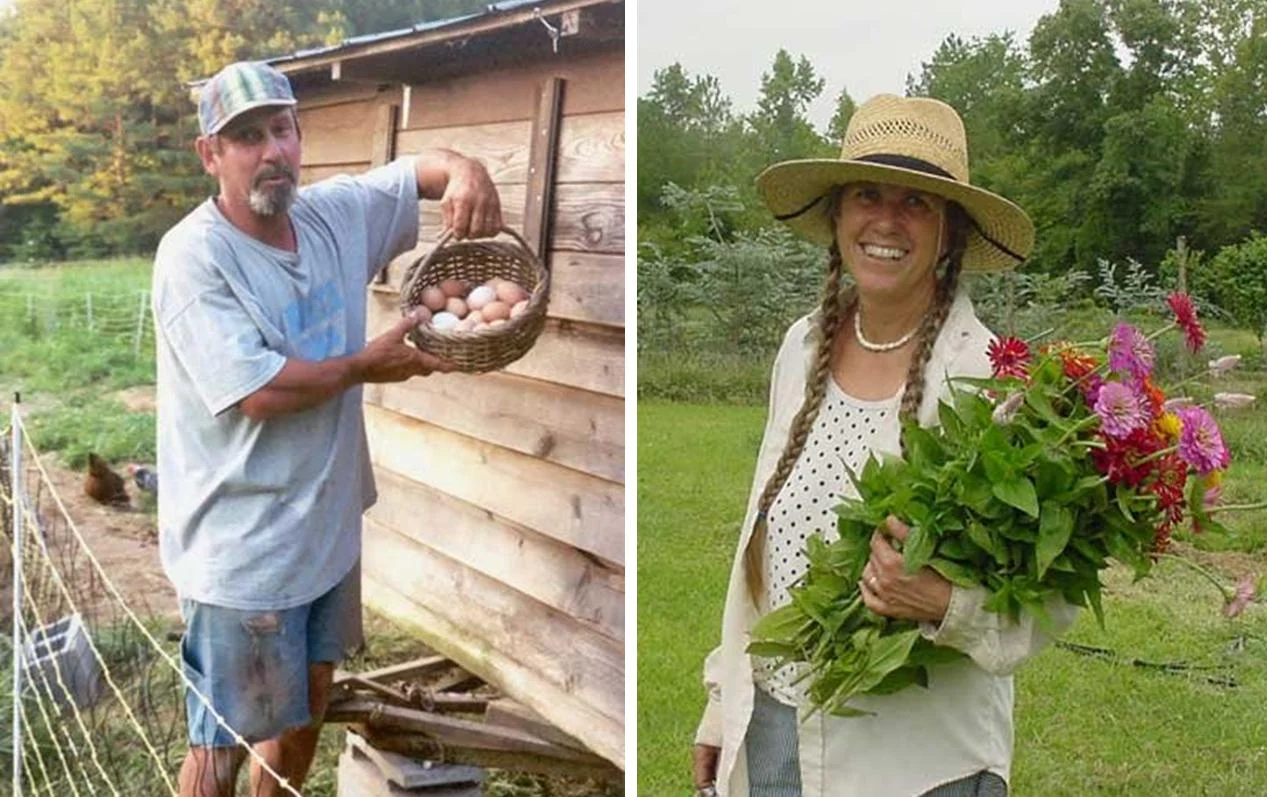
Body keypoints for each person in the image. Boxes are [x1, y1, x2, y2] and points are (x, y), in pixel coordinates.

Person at [690, 94, 1078, 797]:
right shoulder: (801, 345)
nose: (886, 221)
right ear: (837, 214)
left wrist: (943, 603)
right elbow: (763, 544)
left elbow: (1054, 598)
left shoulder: (990, 380)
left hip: (914, 765)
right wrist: (723, 703)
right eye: (866, 195)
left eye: (916, 203)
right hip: (776, 732)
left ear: (949, 232)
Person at [151, 61, 502, 796]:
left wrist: (467, 172)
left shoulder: (332, 215)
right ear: (209, 155)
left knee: (307, 706)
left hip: (326, 529)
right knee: (222, 740)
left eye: (281, 129)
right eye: (245, 136)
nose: (271, 149)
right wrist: (363, 366)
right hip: (241, 548)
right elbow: (257, 391)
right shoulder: (195, 257)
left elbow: (419, 172)